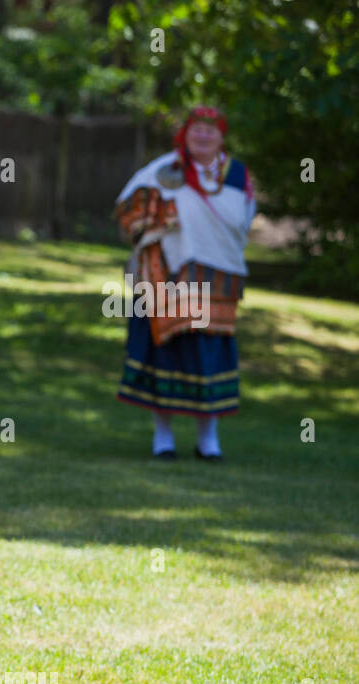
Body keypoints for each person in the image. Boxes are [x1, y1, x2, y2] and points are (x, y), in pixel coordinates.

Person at [115, 106, 254, 462]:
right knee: (165, 352)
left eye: (211, 130)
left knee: (208, 356)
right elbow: (128, 207)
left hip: (215, 278)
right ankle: (163, 438)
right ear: (185, 134)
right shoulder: (162, 171)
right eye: (196, 129)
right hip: (166, 277)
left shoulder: (236, 174)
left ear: (221, 137)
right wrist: (160, 220)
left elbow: (243, 220)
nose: (203, 136)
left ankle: (209, 440)